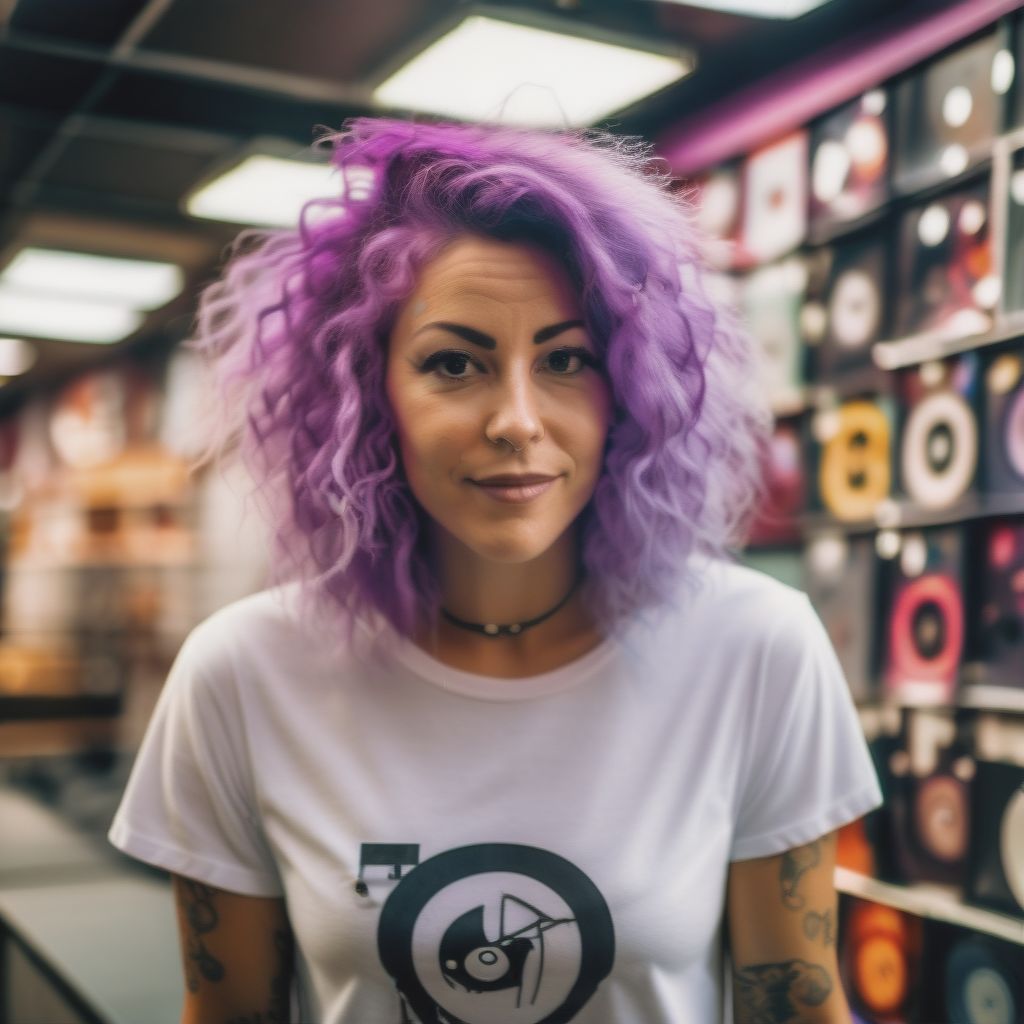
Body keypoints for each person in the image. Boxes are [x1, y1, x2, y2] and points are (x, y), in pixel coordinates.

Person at [109, 116, 883, 1024]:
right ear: (366, 394)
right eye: (454, 364)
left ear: (628, 389)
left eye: (566, 360)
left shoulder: (754, 649)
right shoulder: (242, 674)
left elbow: (795, 1005)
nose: (517, 418)